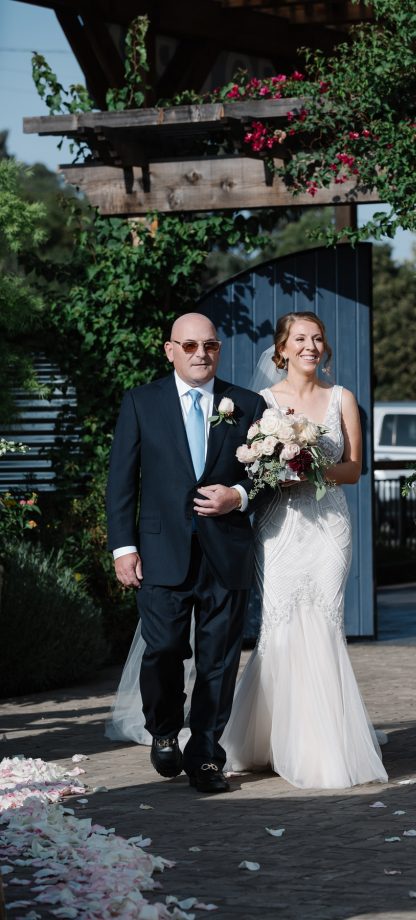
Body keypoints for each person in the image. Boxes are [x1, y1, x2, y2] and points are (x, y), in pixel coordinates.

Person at [213, 311, 388, 788]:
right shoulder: (261, 402)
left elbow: (352, 469)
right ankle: (269, 739)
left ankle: (322, 745)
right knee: (281, 622)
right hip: (281, 525)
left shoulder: (342, 399)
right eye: (301, 339)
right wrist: (277, 469)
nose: (311, 346)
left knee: (324, 621)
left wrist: (305, 469)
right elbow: (246, 464)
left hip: (329, 524)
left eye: (318, 338)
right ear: (282, 350)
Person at [105, 312, 267, 795]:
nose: (201, 354)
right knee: (163, 651)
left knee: (219, 659)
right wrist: (123, 547)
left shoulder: (247, 403)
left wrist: (235, 496)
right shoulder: (141, 403)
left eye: (210, 346)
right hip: (160, 552)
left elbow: (265, 474)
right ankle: (162, 729)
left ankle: (207, 758)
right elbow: (121, 483)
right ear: (170, 349)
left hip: (226, 552)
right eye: (191, 345)